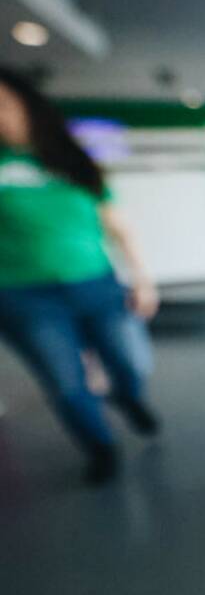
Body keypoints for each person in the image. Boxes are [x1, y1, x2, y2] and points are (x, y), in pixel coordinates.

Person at [0, 68, 160, 484]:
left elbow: (117, 224)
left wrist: (143, 278)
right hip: (24, 296)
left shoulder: (71, 159)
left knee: (128, 364)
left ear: (26, 105)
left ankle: (127, 398)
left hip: (96, 283)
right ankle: (101, 448)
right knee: (66, 382)